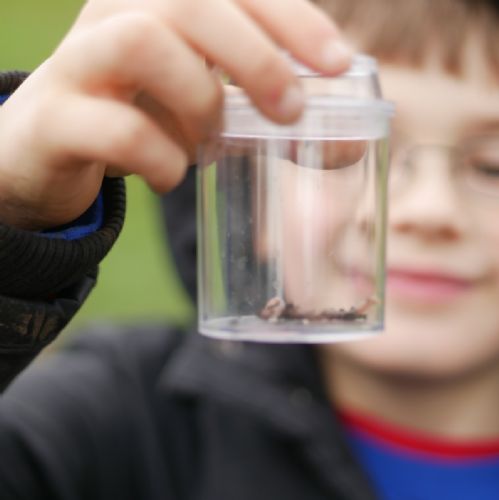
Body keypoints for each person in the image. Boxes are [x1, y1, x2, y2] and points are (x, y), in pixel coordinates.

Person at [1, 0, 499, 499]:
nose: (430, 209)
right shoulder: (113, 423)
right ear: (253, 191)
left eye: (491, 166)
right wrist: (12, 213)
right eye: (341, 146)